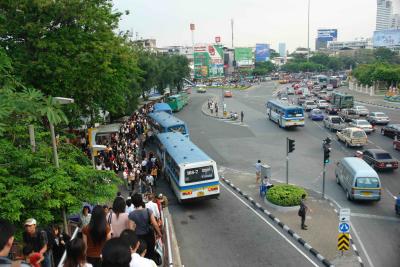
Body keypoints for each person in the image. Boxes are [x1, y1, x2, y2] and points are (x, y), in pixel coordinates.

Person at [128, 194, 162, 262]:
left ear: (133, 203)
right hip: (149, 235)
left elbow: (130, 229)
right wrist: (159, 233)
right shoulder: (148, 211)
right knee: (150, 253)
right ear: (141, 201)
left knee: (142, 256)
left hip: (138, 238)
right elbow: (155, 224)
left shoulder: (131, 214)